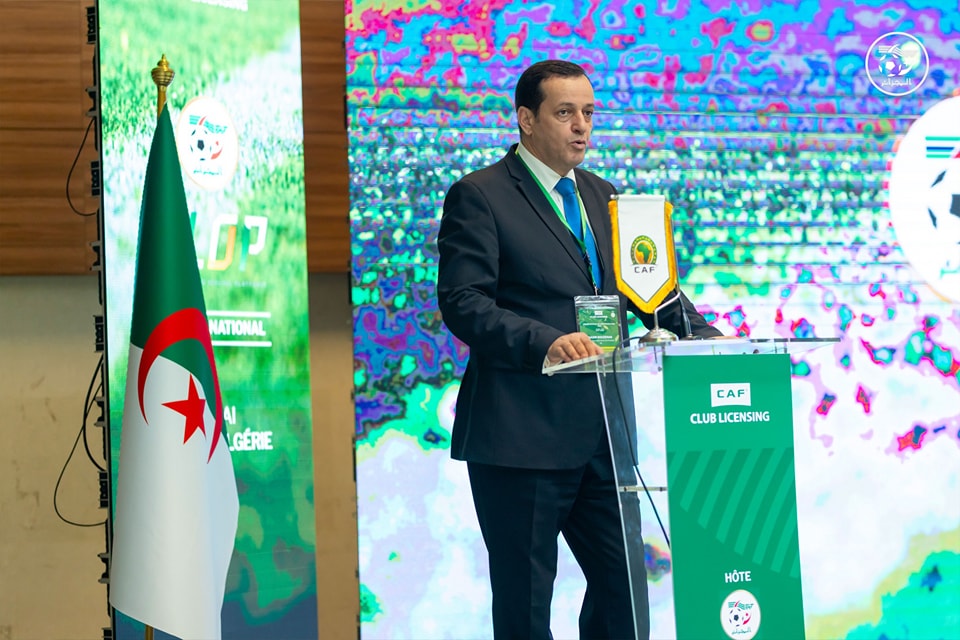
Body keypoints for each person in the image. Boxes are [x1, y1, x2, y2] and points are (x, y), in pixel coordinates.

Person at [436, 59, 722, 640]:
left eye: (588, 112)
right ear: (526, 119)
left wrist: (707, 338)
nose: (581, 126)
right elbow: (463, 301)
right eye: (565, 112)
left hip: (604, 436)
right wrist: (547, 341)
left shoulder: (604, 195)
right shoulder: (481, 195)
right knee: (526, 606)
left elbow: (647, 287)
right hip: (521, 434)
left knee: (625, 593)